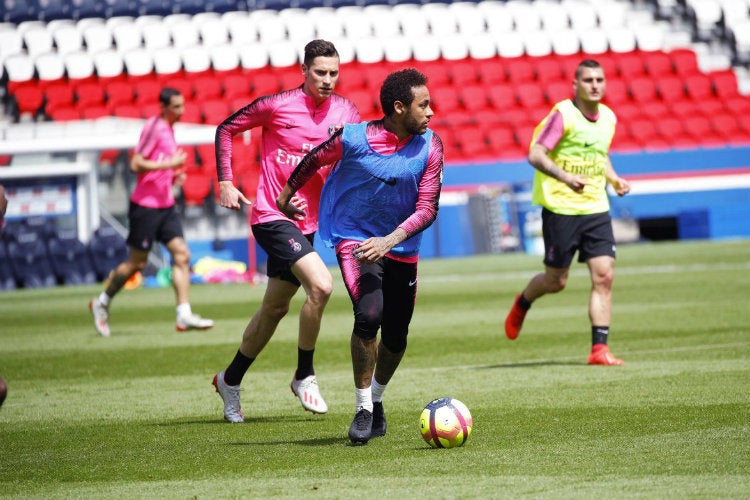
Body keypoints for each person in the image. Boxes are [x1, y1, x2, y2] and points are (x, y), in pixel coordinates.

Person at [277, 68, 444, 444]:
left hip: (401, 247)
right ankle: (363, 408)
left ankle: (379, 400)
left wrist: (390, 239)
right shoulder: (353, 139)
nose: (431, 112)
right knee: (369, 315)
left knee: (397, 336)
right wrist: (286, 196)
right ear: (399, 108)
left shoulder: (431, 145)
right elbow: (315, 159)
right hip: (353, 240)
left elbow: (428, 207)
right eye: (424, 104)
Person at [211, 39, 360, 423]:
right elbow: (226, 129)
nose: (328, 80)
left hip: (307, 223)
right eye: (320, 72)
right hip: (270, 216)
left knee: (275, 308)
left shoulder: (346, 111)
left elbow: (352, 160)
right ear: (304, 71)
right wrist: (226, 181)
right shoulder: (276, 105)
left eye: (333, 73)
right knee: (322, 286)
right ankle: (304, 374)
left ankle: (230, 379)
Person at [504, 59, 631, 366]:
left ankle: (599, 349)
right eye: (588, 80)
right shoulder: (564, 115)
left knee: (605, 275)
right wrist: (566, 178)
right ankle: (523, 303)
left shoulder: (609, 118)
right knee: (556, 281)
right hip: (561, 208)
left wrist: (613, 179)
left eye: (599, 79)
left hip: (595, 208)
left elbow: (599, 156)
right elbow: (535, 154)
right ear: (575, 85)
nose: (595, 85)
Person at [89, 87, 214, 337]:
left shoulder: (169, 130)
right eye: (177, 107)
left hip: (165, 205)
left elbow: (159, 167)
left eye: (182, 105)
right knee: (137, 263)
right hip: (145, 206)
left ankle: (184, 314)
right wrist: (169, 164)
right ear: (164, 107)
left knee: (182, 254)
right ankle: (101, 301)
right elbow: (136, 163)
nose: (182, 111)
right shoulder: (154, 127)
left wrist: (172, 176)